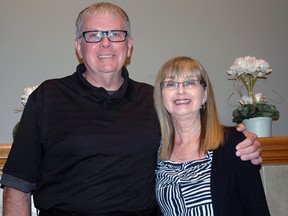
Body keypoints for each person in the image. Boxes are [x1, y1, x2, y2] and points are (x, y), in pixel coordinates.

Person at [1, 2, 261, 216]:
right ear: (79, 46)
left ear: (129, 45)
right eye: (93, 35)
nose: (106, 43)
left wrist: (242, 140)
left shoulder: (153, 100)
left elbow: (194, 130)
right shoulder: (48, 97)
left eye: (115, 34)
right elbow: (17, 186)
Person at [153, 56, 270, 216]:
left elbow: (257, 209)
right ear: (161, 96)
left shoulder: (235, 144)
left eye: (190, 83)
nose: (180, 90)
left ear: (205, 94)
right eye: (171, 84)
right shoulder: (155, 150)